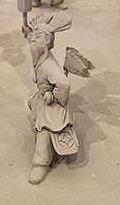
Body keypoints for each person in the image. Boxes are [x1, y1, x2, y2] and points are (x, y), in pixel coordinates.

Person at [25, 11, 80, 185]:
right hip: (42, 96)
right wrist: (27, 32)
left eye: (37, 37)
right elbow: (31, 39)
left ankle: (41, 163)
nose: (33, 40)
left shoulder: (49, 65)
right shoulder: (39, 54)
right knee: (33, 104)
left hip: (52, 102)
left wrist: (53, 97)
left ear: (47, 40)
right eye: (32, 37)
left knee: (45, 130)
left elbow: (64, 84)